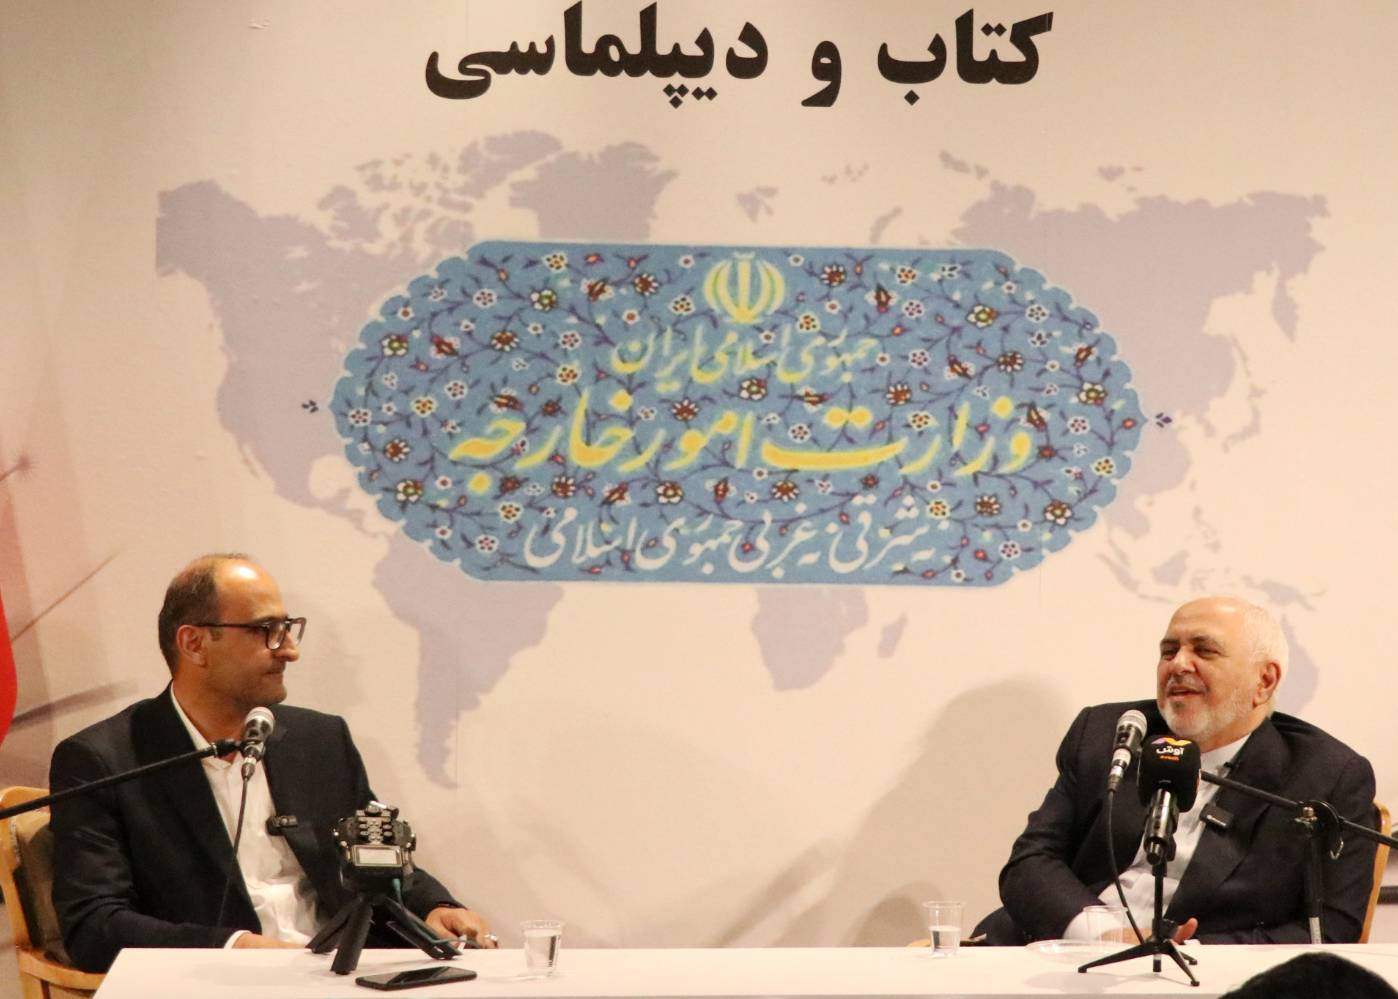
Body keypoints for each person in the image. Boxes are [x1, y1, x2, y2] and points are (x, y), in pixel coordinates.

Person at [49, 554, 496, 972]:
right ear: (194, 643)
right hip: (218, 986)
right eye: (266, 630)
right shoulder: (104, 761)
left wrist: (436, 907)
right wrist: (236, 948)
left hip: (342, 975)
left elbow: (375, 861)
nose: (289, 650)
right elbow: (93, 927)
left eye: (288, 628)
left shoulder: (318, 740)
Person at [979, 596, 1378, 945]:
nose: (1178, 665)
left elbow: (1329, 930)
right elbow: (1031, 862)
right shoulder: (1110, 734)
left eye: (1205, 651)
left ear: (1264, 680)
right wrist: (1102, 934)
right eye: (1169, 651)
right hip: (1062, 949)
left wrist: (1184, 953)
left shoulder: (1325, 776)